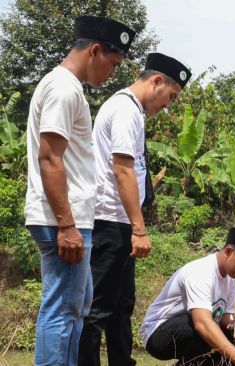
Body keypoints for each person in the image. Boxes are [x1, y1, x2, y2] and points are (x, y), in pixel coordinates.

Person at [23, 15, 134, 366]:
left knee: (75, 307)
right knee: (62, 309)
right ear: (95, 50)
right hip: (62, 221)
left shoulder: (68, 88)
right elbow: (50, 158)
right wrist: (67, 225)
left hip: (70, 219)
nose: (113, 73)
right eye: (114, 64)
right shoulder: (63, 88)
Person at [78, 53, 191, 366]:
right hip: (110, 221)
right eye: (170, 96)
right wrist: (138, 229)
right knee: (98, 308)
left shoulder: (132, 111)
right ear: (156, 81)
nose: (167, 105)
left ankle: (121, 361)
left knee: (121, 305)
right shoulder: (126, 110)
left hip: (120, 222)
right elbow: (123, 170)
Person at [140, 228, 235, 366]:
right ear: (228, 251)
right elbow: (202, 324)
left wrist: (234, 325)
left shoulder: (231, 277)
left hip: (195, 328)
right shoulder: (201, 272)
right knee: (205, 332)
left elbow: (226, 314)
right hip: (158, 333)